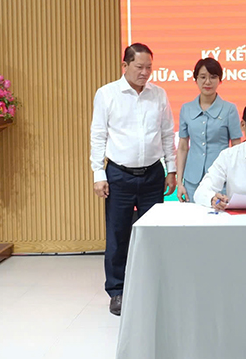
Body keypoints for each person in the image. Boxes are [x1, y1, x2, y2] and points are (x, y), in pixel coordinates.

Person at [89, 43, 177, 316]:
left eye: (149, 67)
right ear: (124, 65)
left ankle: (153, 287)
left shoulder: (158, 94)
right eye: (139, 67)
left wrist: (171, 170)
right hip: (119, 174)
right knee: (118, 235)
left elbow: (167, 133)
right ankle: (117, 291)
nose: (145, 72)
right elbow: (98, 135)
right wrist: (98, 173)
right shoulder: (107, 94)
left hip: (153, 173)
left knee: (154, 234)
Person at [175, 57, 242, 203]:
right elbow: (182, 147)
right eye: (203, 77)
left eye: (213, 77)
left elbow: (237, 147)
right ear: (196, 79)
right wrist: (179, 183)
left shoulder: (229, 109)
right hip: (192, 179)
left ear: (220, 80)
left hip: (221, 179)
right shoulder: (186, 109)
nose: (207, 82)